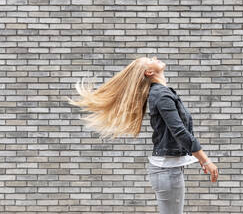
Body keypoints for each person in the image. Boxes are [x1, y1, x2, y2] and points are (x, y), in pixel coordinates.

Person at [66, 56, 218, 214]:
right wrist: (205, 160)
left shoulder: (162, 93)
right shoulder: (162, 96)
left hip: (168, 171)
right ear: (149, 72)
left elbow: (179, 132)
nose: (155, 57)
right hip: (167, 172)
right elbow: (179, 132)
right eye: (150, 59)